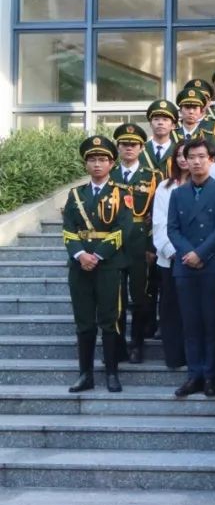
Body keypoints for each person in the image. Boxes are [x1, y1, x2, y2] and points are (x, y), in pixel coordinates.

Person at [62, 135, 134, 394]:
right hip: (79, 266)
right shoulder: (75, 194)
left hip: (108, 265)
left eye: (102, 159)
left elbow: (123, 229)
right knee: (84, 321)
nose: (97, 164)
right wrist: (81, 255)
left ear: (112, 163)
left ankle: (112, 373)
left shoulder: (122, 194)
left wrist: (98, 255)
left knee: (109, 320)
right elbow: (68, 229)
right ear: (86, 164)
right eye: (92, 159)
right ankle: (85, 375)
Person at [168, 138, 215, 398]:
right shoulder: (177, 193)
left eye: (201, 157)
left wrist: (201, 253)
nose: (196, 162)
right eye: (191, 157)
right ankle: (193, 375)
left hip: (212, 264)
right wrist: (189, 253)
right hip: (185, 266)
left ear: (211, 160)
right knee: (190, 323)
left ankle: (210, 376)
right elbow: (172, 229)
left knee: (211, 322)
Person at [110, 123, 158, 364]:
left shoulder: (152, 177)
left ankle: (136, 343)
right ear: (118, 148)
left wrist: (151, 246)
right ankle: (118, 345)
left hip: (140, 242)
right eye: (124, 144)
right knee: (115, 297)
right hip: (113, 243)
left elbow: (157, 215)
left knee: (140, 297)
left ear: (141, 148)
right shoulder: (109, 175)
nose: (129, 148)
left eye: (134, 144)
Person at [152, 142, 188, 370]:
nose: (184, 159)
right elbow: (159, 222)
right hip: (170, 258)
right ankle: (174, 356)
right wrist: (171, 250)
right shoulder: (164, 187)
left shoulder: (206, 185)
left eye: (188, 155)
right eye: (180, 155)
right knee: (170, 308)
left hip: (196, 259)